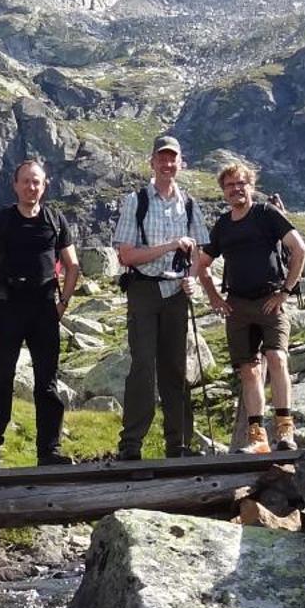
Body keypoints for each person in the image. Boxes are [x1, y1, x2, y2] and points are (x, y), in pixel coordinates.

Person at [0, 157, 79, 469]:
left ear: (45, 186)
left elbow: (72, 266)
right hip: (9, 306)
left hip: (45, 307)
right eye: (26, 181)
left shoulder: (55, 219)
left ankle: (49, 452)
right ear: (15, 185)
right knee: (0, 379)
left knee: (46, 382)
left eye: (37, 181)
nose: (32, 187)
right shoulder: (2, 220)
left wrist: (63, 304)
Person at [196, 160, 305, 452]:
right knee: (248, 370)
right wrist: (214, 298)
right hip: (237, 305)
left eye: (241, 184)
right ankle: (258, 438)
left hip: (271, 300)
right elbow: (203, 265)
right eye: (230, 185)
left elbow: (300, 248)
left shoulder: (266, 214)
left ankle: (285, 432)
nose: (236, 190)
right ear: (223, 191)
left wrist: (285, 291)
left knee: (277, 359)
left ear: (251, 186)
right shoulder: (223, 225)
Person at [113, 134, 208, 460]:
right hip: (143, 289)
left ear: (180, 163)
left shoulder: (191, 204)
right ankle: (131, 445)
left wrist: (192, 279)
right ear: (152, 162)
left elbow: (198, 252)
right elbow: (126, 256)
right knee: (142, 365)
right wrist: (169, 246)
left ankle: (178, 444)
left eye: (173, 159)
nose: (168, 164)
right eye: (162, 158)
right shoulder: (136, 201)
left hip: (176, 292)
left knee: (175, 368)